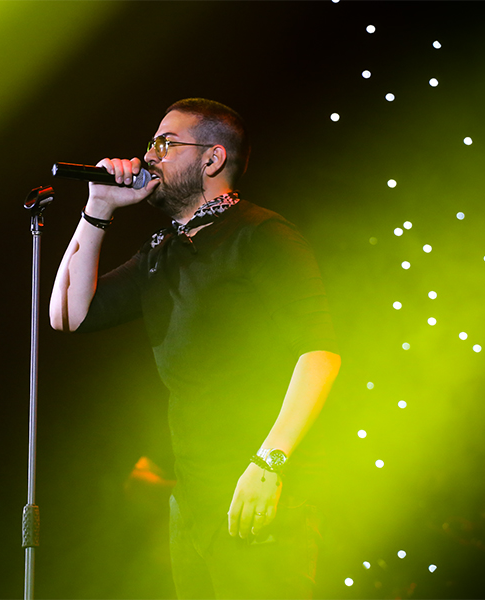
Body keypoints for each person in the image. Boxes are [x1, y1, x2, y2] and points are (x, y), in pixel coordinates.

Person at [49, 98, 341, 599]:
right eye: (151, 143)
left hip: (259, 490)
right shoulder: (163, 250)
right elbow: (66, 316)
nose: (149, 156)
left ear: (212, 159)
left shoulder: (262, 235)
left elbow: (320, 355)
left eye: (166, 143)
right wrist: (98, 208)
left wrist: (269, 464)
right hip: (191, 501)